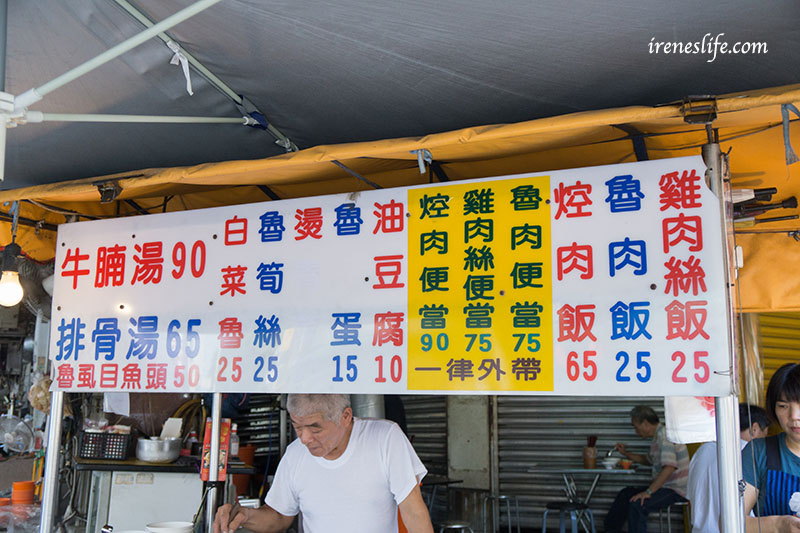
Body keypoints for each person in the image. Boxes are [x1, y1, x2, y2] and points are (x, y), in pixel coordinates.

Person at [213, 393, 434, 533]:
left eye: (315, 427)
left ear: (345, 417)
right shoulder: (295, 455)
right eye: (297, 427)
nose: (305, 438)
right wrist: (245, 516)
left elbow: (414, 513)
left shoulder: (385, 439)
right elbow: (280, 517)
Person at [604, 405, 690, 533]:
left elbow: (669, 468)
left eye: (635, 426)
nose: (636, 431)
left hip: (676, 490)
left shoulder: (665, 436)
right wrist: (626, 454)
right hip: (664, 487)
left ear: (644, 423)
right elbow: (648, 460)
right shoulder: (657, 437)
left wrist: (648, 492)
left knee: (638, 505)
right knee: (625, 494)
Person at [686, 403, 770, 533]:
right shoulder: (751, 456)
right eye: (764, 434)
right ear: (755, 428)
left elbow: (690, 499)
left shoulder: (702, 451)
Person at [742, 363, 800, 533]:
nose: (794, 416)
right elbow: (730, 522)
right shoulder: (759, 452)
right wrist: (778, 525)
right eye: (783, 406)